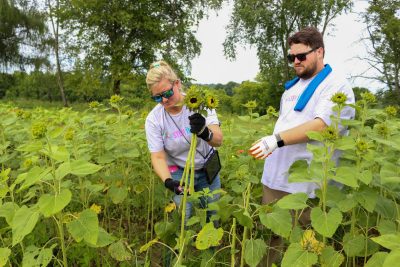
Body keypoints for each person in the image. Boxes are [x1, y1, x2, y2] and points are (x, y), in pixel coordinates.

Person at [249, 27, 355, 266]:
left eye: (301, 56)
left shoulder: (337, 86)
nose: (295, 61)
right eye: (291, 57)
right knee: (272, 240)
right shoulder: (292, 87)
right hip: (275, 179)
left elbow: (322, 126)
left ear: (320, 52)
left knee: (305, 248)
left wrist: (275, 139)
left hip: (307, 185)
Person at [145, 60, 223, 224]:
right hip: (180, 172)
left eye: (167, 93)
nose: (164, 100)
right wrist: (168, 181)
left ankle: (211, 248)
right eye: (157, 97)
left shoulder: (200, 104)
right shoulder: (154, 119)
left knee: (212, 213)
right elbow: (158, 157)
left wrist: (204, 132)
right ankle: (183, 248)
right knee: (183, 217)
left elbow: (218, 140)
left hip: (207, 168)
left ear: (177, 84)